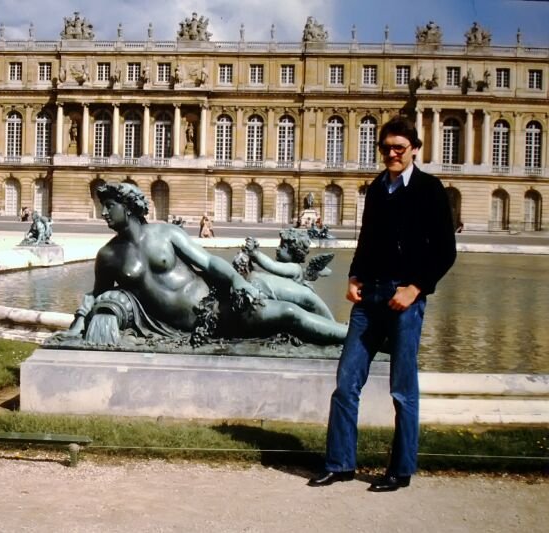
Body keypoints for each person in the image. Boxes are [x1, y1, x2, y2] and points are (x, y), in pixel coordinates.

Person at [308, 116, 456, 492]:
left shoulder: (430, 189)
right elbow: (368, 239)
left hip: (403, 297)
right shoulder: (377, 187)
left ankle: (400, 470)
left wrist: (416, 288)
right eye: (387, 148)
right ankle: (340, 463)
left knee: (402, 389)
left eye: (399, 148)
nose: (392, 154)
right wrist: (354, 275)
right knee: (346, 383)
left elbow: (445, 251)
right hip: (369, 296)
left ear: (414, 150)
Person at [63, 182, 346, 346]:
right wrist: (77, 325)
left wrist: (237, 280)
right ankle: (353, 338)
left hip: (221, 297)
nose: (103, 213)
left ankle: (346, 334)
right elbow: (96, 293)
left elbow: (208, 262)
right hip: (205, 320)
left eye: (109, 206)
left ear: (127, 207)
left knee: (303, 299)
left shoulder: (165, 233)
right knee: (290, 313)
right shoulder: (108, 256)